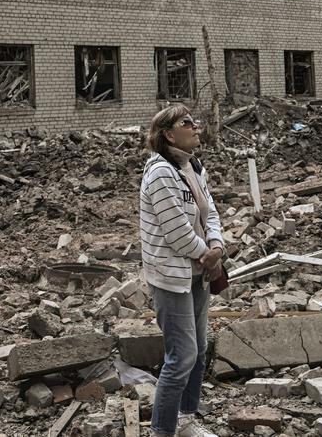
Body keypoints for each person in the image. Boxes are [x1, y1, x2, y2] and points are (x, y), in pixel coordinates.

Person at [139, 104, 224, 437]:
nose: (197, 127)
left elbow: (210, 212)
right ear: (169, 134)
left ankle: (186, 421)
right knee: (182, 356)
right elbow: (176, 233)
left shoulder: (194, 167)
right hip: (172, 277)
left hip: (199, 273)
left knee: (199, 350)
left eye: (196, 121)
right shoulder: (160, 172)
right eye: (188, 123)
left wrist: (216, 244)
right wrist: (209, 254)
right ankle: (162, 430)